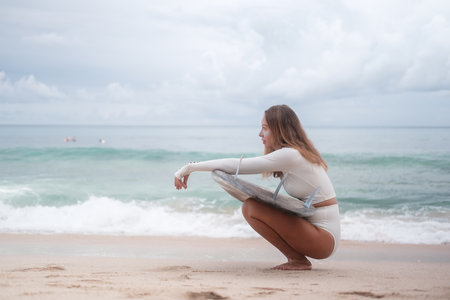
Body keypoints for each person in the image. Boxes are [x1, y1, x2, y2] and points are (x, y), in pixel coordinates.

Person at [174, 104, 340, 270]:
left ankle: (298, 261)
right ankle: (297, 260)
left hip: (324, 239)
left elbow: (236, 166)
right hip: (317, 234)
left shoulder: (291, 155)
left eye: (265, 128)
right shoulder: (294, 154)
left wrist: (190, 167)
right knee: (251, 206)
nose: (260, 134)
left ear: (279, 130)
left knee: (252, 207)